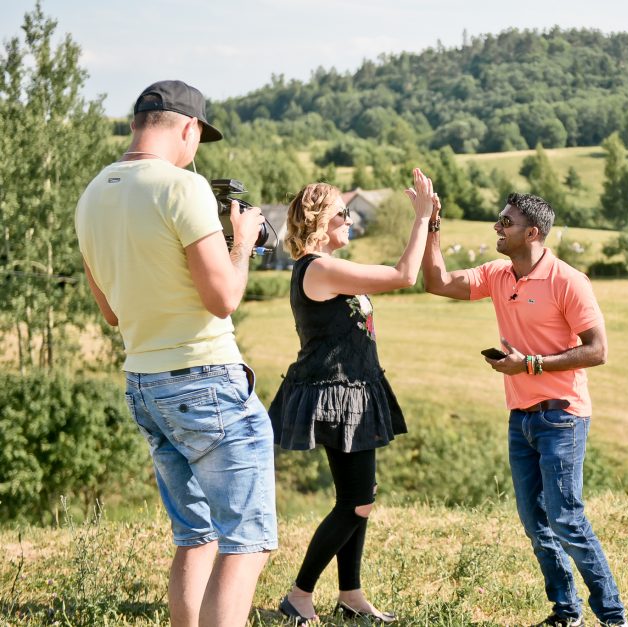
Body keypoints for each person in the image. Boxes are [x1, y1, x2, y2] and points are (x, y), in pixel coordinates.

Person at [75, 80, 275, 627]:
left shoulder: (91, 195)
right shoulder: (182, 189)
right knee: (246, 541)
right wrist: (242, 239)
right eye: (197, 139)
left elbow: (112, 313)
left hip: (143, 380)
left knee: (197, 535)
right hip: (205, 377)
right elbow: (223, 297)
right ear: (188, 129)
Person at [422, 193, 628, 627]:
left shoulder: (568, 281)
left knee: (566, 520)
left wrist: (529, 364)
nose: (497, 227)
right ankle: (566, 612)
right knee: (536, 524)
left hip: (562, 416)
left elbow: (598, 351)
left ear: (531, 233)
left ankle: (613, 617)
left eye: (505, 221)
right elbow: (437, 282)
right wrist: (431, 223)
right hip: (521, 418)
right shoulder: (498, 275)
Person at [268, 169, 435, 624]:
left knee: (357, 497)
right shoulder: (318, 267)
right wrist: (421, 217)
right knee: (357, 501)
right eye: (344, 213)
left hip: (354, 390)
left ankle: (351, 595)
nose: (351, 220)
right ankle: (299, 596)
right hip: (336, 395)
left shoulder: (326, 268)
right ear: (320, 220)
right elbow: (404, 275)